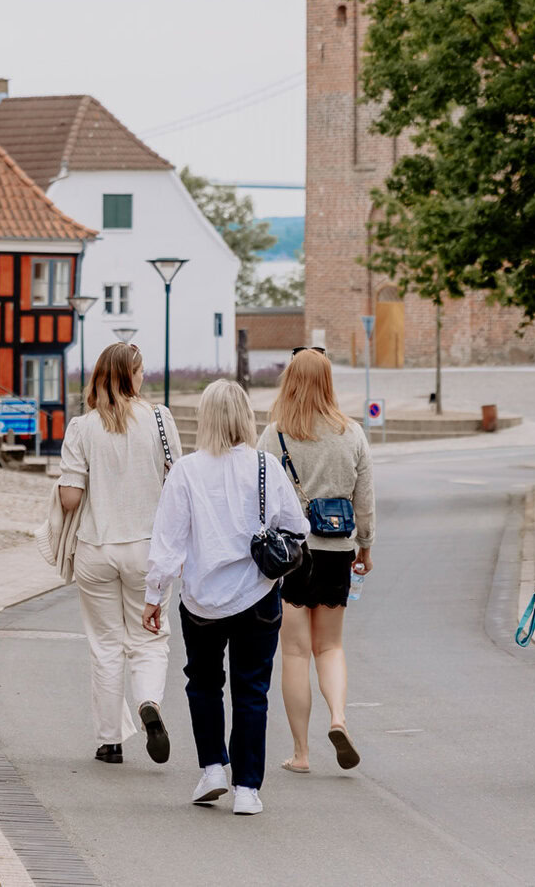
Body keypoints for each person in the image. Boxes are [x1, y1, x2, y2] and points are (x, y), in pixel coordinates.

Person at [142, 379, 304, 816]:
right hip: (257, 594)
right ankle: (248, 789)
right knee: (252, 692)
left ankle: (213, 767)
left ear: (207, 419)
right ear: (245, 417)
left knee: (204, 684)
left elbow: (168, 543)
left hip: (201, 600)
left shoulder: (186, 472)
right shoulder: (266, 466)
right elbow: (298, 528)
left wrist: (153, 596)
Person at [255, 348, 374, 774]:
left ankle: (301, 754)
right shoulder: (352, 433)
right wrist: (366, 546)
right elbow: (365, 498)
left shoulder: (275, 435)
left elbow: (260, 496)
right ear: (328, 382)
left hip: (291, 557)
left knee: (295, 653)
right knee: (331, 646)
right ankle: (339, 718)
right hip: (337, 553)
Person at [58, 341, 177, 765]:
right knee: (149, 638)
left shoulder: (82, 427)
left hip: (97, 548)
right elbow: (176, 484)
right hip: (148, 549)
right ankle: (148, 703)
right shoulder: (160, 420)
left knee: (105, 644)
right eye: (141, 371)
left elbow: (70, 499)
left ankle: (110, 742)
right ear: (132, 376)